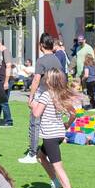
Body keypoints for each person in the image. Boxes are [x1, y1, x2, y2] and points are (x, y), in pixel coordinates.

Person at [33, 68, 80, 188]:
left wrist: (33, 103)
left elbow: (36, 114)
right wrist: (67, 124)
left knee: (58, 166)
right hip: (59, 133)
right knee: (40, 156)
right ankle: (55, 182)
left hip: (50, 135)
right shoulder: (61, 95)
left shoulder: (46, 95)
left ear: (48, 80)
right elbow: (74, 113)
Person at [19, 35, 65, 164]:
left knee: (35, 122)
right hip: (55, 95)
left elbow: (36, 80)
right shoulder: (57, 59)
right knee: (51, 122)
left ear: (41, 45)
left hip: (43, 95)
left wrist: (31, 97)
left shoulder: (41, 61)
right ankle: (49, 153)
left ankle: (32, 153)